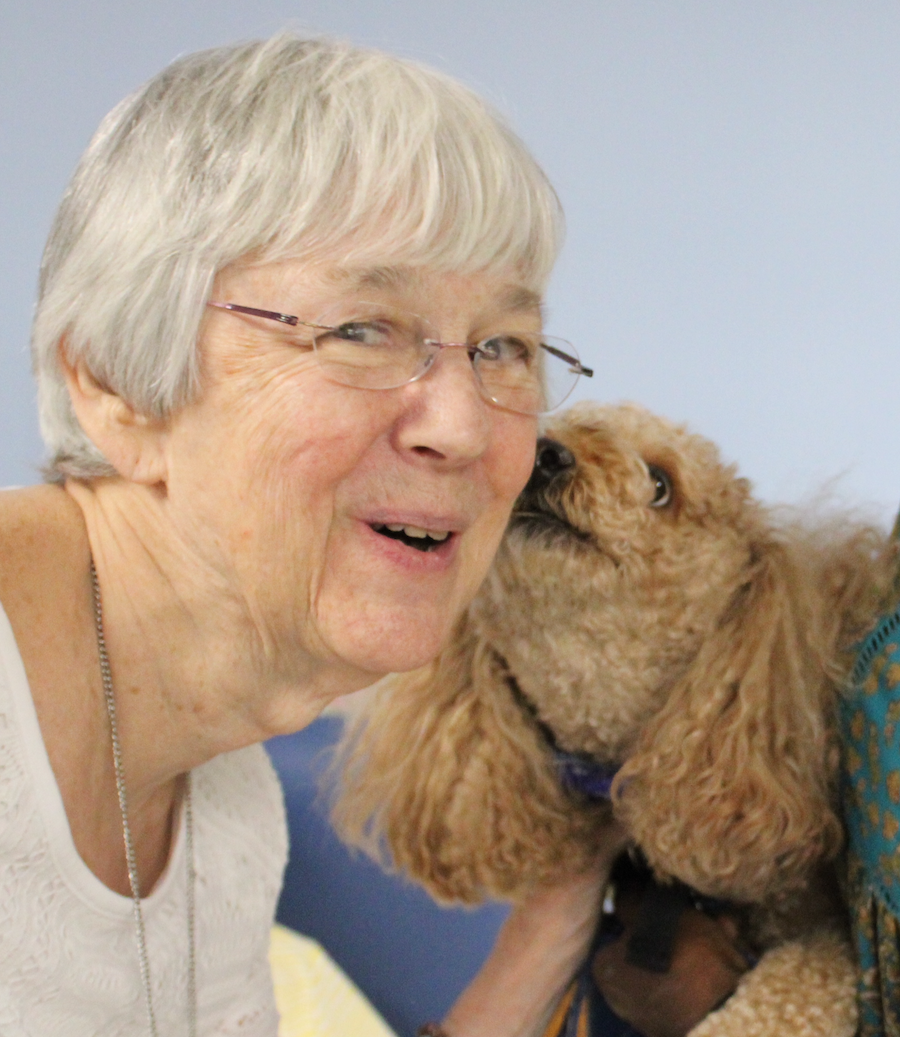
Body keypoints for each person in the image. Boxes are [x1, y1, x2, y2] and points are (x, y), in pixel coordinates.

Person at [1, 30, 615, 1037]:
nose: (464, 426)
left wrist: (559, 915)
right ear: (114, 382)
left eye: (503, 345)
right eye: (362, 329)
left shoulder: (227, 796)